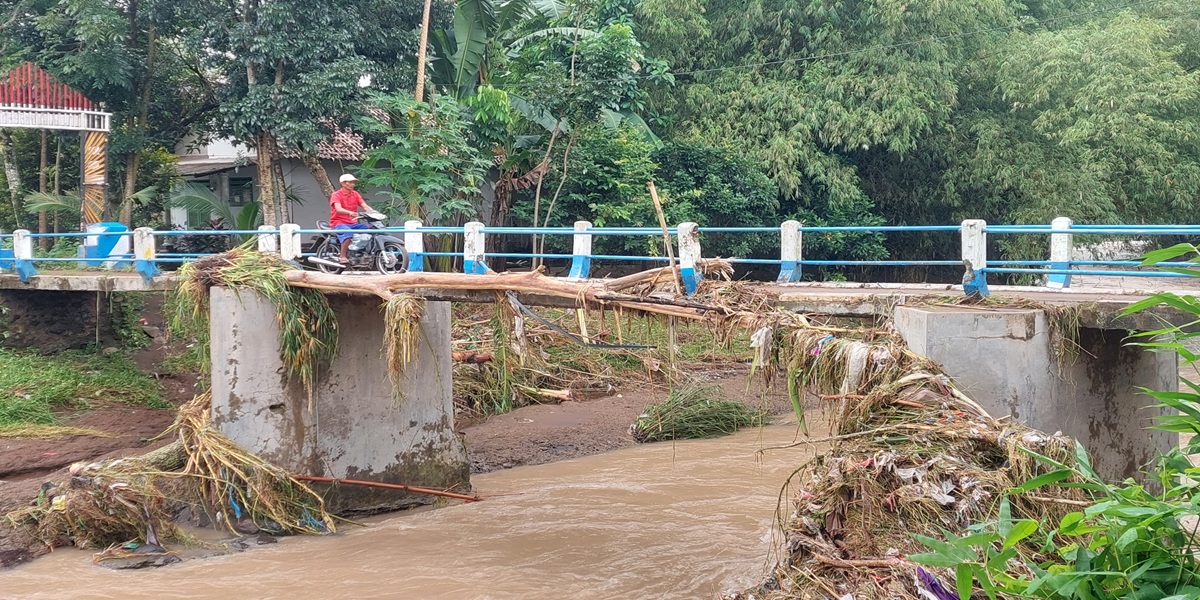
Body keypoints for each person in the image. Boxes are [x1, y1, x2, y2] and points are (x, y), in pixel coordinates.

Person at [329, 173, 379, 264]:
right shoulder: (336, 195)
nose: (353, 184)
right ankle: (342, 256)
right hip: (338, 223)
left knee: (371, 227)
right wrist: (350, 212)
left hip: (353, 223)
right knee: (348, 232)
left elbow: (364, 206)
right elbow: (338, 209)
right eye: (350, 182)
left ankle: (365, 252)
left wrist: (374, 213)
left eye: (353, 182)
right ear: (343, 183)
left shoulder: (355, 194)